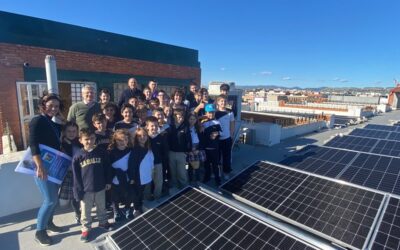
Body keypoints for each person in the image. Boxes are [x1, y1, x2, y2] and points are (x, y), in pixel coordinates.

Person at [29, 93, 64, 246]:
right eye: (50, 106)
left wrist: (61, 116)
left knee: (54, 199)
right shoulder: (37, 121)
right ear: (43, 105)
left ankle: (49, 223)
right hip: (42, 167)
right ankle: (40, 232)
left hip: (53, 167)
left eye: (57, 106)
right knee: (50, 200)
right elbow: (33, 145)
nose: (54, 109)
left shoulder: (52, 123)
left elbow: (68, 126)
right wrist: (39, 166)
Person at [72, 128, 114, 242]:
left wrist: (108, 182)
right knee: (86, 211)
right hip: (85, 190)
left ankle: (103, 222)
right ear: (80, 140)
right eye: (86, 139)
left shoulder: (101, 152)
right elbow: (76, 176)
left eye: (92, 138)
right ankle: (86, 229)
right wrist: (78, 191)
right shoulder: (78, 156)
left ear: (95, 138)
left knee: (102, 207)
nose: (89, 141)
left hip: (100, 186)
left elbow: (107, 168)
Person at [127, 128, 154, 217]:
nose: (142, 137)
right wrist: (132, 178)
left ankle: (140, 205)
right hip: (138, 177)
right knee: (137, 193)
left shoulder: (148, 148)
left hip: (145, 176)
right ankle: (136, 209)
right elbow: (132, 165)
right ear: (136, 138)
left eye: (144, 135)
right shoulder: (135, 150)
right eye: (139, 136)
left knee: (141, 192)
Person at [59, 121, 82, 225]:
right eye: (69, 131)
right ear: (64, 132)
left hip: (81, 172)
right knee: (74, 197)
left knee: (82, 195)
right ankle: (78, 213)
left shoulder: (80, 142)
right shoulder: (61, 143)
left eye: (74, 131)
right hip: (69, 173)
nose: (71, 133)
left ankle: (82, 212)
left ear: (77, 132)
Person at [108, 129, 132, 222]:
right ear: (115, 140)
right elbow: (108, 166)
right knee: (114, 197)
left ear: (128, 140)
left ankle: (127, 208)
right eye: (119, 140)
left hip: (127, 178)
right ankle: (116, 210)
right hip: (115, 179)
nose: (122, 142)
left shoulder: (130, 150)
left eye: (125, 140)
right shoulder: (110, 152)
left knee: (128, 195)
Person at [145, 117, 168, 200]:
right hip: (146, 165)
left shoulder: (161, 137)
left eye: (156, 125)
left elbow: (164, 151)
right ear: (147, 127)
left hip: (158, 163)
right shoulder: (144, 138)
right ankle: (146, 198)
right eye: (151, 126)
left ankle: (157, 197)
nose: (154, 128)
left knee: (159, 182)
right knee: (147, 182)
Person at [168, 109, 191, 189]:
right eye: (178, 117)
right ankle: (175, 187)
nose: (180, 119)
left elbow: (189, 140)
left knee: (183, 171)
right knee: (173, 172)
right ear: (175, 117)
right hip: (171, 153)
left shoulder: (185, 126)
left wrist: (188, 151)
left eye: (182, 117)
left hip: (182, 154)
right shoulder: (170, 126)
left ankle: (185, 187)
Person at [201, 104, 222, 186]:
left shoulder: (217, 122)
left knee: (215, 165)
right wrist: (201, 128)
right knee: (206, 165)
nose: (211, 114)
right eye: (209, 112)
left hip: (215, 148)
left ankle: (217, 179)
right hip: (206, 148)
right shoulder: (203, 123)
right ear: (206, 113)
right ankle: (207, 177)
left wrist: (217, 133)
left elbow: (222, 133)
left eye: (212, 112)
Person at [215, 95, 235, 176]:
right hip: (217, 138)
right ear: (218, 102)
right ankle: (218, 172)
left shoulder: (230, 112)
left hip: (227, 138)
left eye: (225, 101)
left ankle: (226, 172)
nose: (223, 102)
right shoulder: (215, 113)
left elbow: (232, 125)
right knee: (217, 157)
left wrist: (231, 135)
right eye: (221, 101)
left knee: (226, 157)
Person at [186, 112, 206, 183]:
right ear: (188, 119)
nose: (192, 121)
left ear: (196, 120)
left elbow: (202, 140)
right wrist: (190, 150)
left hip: (197, 147)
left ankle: (198, 180)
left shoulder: (198, 128)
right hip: (190, 148)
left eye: (194, 119)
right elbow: (186, 141)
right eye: (190, 119)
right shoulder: (186, 129)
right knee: (190, 166)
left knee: (197, 166)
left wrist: (198, 149)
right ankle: (190, 179)